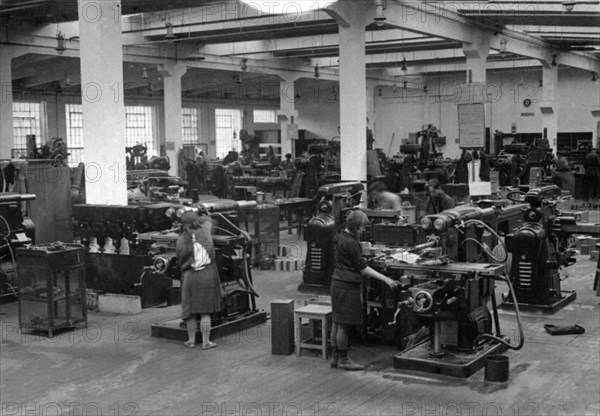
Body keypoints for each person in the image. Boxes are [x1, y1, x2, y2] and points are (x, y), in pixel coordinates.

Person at [330, 211, 399, 371]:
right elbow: (362, 267)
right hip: (347, 285)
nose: (364, 231)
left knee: (337, 321)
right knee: (344, 325)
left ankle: (335, 357)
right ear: (355, 227)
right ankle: (343, 359)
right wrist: (385, 278)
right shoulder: (351, 243)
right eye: (363, 227)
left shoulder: (341, 236)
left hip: (337, 282)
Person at [177, 211, 222, 350]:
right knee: (205, 311)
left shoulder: (181, 238)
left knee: (190, 311)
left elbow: (179, 257)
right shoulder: (205, 230)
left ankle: (190, 341)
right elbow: (210, 219)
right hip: (206, 274)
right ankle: (206, 342)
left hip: (190, 275)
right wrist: (200, 212)